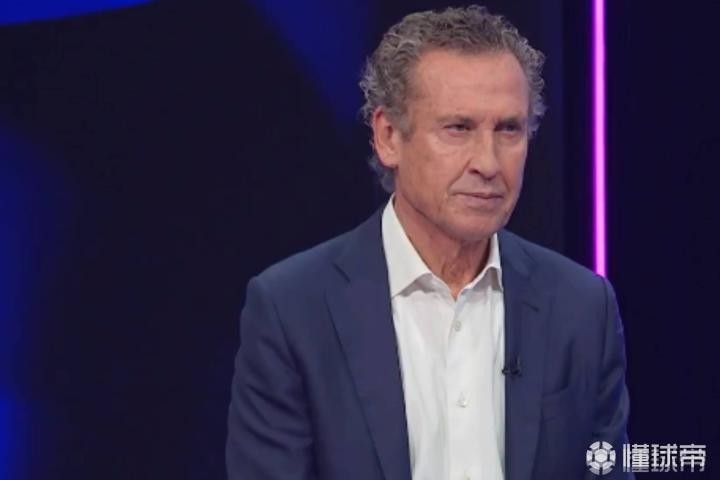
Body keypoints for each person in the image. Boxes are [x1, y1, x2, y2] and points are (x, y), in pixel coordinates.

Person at [226, 5, 633, 480]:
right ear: (388, 137)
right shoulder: (293, 310)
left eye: (508, 129)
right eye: (458, 128)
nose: (488, 163)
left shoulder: (582, 307)